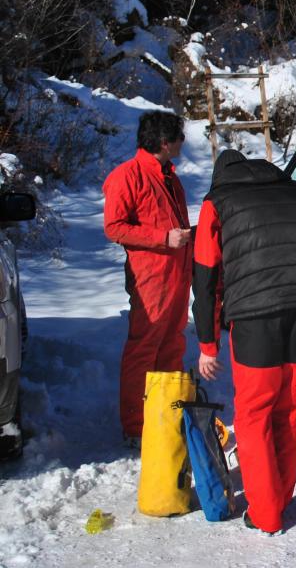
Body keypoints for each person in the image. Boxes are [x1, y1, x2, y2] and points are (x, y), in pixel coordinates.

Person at [192, 150, 296, 536]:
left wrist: (207, 343)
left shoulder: (216, 202)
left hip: (254, 318)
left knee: (254, 415)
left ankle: (267, 513)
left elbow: (204, 277)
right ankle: (280, 499)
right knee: (292, 409)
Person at [103, 111, 192, 445]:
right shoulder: (128, 175)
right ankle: (136, 427)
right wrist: (162, 238)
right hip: (150, 279)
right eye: (180, 137)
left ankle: (166, 414)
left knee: (173, 345)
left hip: (177, 275)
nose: (184, 142)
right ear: (166, 142)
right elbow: (114, 227)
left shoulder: (171, 176)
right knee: (144, 349)